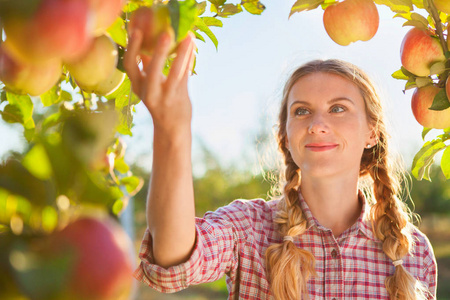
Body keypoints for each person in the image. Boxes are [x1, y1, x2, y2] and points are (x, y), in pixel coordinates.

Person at [124, 28, 437, 299]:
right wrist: (171, 130)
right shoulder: (248, 228)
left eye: (338, 109)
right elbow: (172, 261)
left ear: (372, 132)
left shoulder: (413, 254)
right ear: (286, 137)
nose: (316, 124)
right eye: (301, 111)